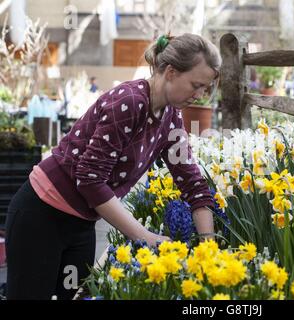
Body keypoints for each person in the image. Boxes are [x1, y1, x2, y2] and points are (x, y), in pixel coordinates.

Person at [5, 33, 220, 300]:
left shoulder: (171, 118)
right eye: (196, 85)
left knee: (72, 295)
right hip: (41, 216)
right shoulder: (129, 102)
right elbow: (90, 179)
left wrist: (208, 246)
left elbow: (191, 182)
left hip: (81, 225)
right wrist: (144, 236)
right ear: (171, 72)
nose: (199, 96)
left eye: (205, 88)